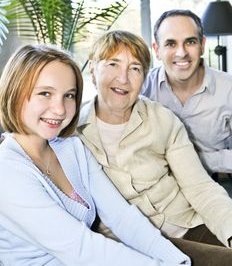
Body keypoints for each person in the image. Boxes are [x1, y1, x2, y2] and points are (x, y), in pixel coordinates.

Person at [0, 44, 191, 266]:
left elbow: (121, 217)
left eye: (69, 95)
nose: (61, 109)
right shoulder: (6, 171)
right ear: (14, 92)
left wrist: (177, 261)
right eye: (45, 93)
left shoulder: (71, 147)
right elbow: (81, 248)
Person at [77, 30, 232, 266]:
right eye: (113, 64)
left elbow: (201, 187)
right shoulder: (72, 132)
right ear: (92, 71)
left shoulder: (162, 119)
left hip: (186, 223)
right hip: (129, 244)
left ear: (145, 77)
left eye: (135, 68)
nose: (124, 78)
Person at [141, 9, 232, 176]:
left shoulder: (228, 89)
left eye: (190, 42)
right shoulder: (141, 86)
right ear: (157, 50)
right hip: (153, 185)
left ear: (202, 45)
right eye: (170, 44)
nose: (182, 53)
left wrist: (199, 159)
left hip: (206, 184)